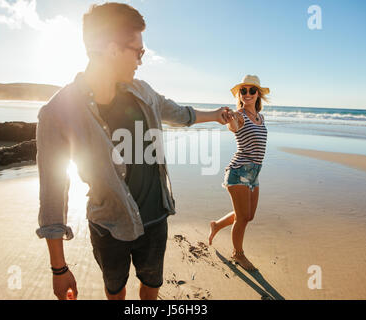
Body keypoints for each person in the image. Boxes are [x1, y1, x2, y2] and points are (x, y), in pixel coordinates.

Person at [36, 2, 231, 300]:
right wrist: (59, 269)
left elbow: (180, 113)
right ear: (113, 49)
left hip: (155, 218)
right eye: (138, 52)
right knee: (115, 291)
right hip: (108, 226)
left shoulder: (143, 91)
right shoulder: (58, 112)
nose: (141, 61)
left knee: (151, 288)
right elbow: (53, 192)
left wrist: (216, 115)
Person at [208, 75, 270, 271]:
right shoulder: (239, 115)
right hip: (238, 172)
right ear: (240, 94)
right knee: (242, 218)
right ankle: (238, 254)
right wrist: (230, 119)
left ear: (258, 93)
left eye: (252, 90)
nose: (248, 94)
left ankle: (217, 225)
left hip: (254, 174)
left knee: (248, 215)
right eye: (244, 90)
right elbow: (233, 126)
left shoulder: (261, 117)